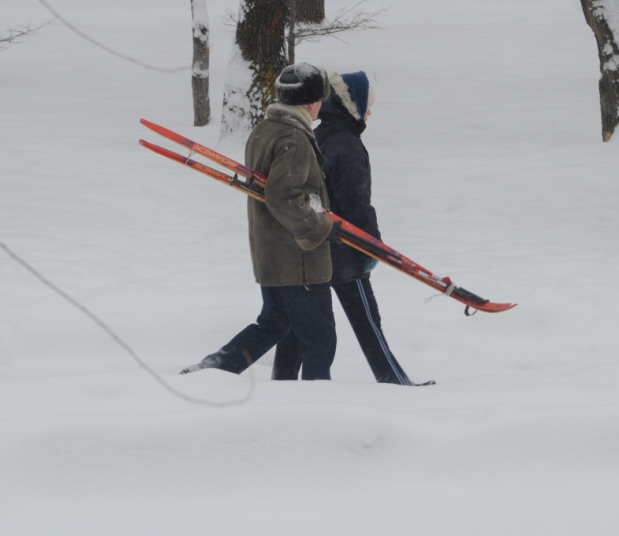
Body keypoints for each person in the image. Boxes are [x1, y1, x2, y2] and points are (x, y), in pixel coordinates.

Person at [272, 71, 432, 386]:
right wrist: (373, 247)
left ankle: (283, 384)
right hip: (344, 249)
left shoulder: (320, 134)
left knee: (298, 323)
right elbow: (355, 202)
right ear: (352, 105)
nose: (370, 112)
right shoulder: (346, 144)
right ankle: (395, 382)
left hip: (312, 245)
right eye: (366, 105)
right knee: (367, 322)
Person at [181, 63, 339, 380]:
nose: (321, 104)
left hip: (272, 255)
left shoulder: (266, 129)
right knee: (320, 339)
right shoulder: (293, 139)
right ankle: (316, 407)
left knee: (277, 324)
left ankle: (218, 369)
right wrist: (317, 227)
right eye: (320, 98)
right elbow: (281, 195)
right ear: (309, 102)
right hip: (298, 260)